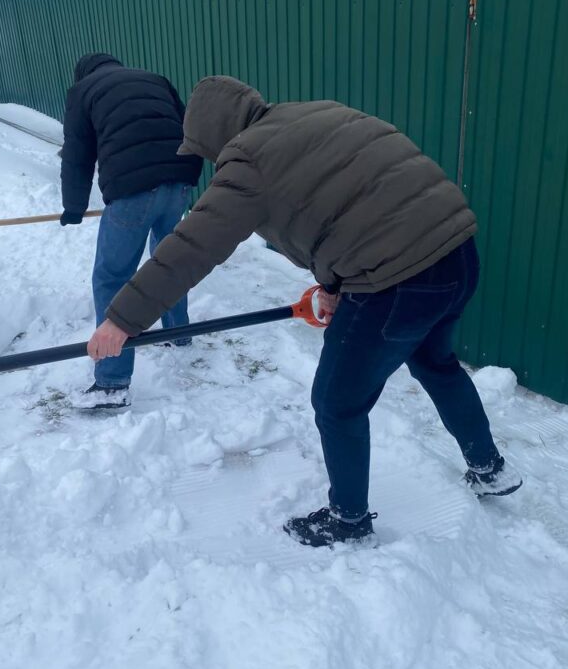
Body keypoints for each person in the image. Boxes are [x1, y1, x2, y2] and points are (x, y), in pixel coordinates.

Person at [87, 75, 524, 546]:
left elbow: (193, 247)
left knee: (337, 404)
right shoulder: (315, 112)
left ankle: (349, 521)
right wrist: (334, 284)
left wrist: (122, 319)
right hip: (455, 250)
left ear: (215, 134)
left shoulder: (248, 160)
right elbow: (352, 202)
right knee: (437, 364)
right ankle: (489, 467)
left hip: (397, 280)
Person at [61, 53, 202, 409]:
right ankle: (178, 334)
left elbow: (77, 154)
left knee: (112, 277)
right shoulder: (155, 78)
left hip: (134, 189)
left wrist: (74, 207)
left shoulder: (82, 90)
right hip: (181, 178)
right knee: (169, 262)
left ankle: (112, 382)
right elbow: (190, 125)